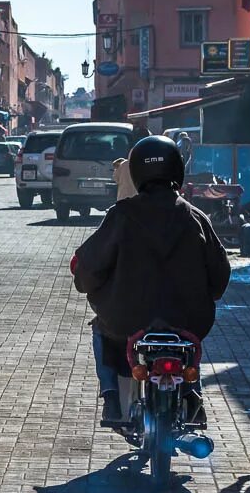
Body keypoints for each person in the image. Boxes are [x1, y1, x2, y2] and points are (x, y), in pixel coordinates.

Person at [73, 136, 230, 423]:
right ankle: (192, 392)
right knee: (189, 349)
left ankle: (110, 398)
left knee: (99, 330)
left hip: (127, 320)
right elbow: (220, 274)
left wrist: (86, 284)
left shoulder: (121, 215)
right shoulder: (196, 217)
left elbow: (90, 266)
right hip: (189, 320)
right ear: (177, 170)